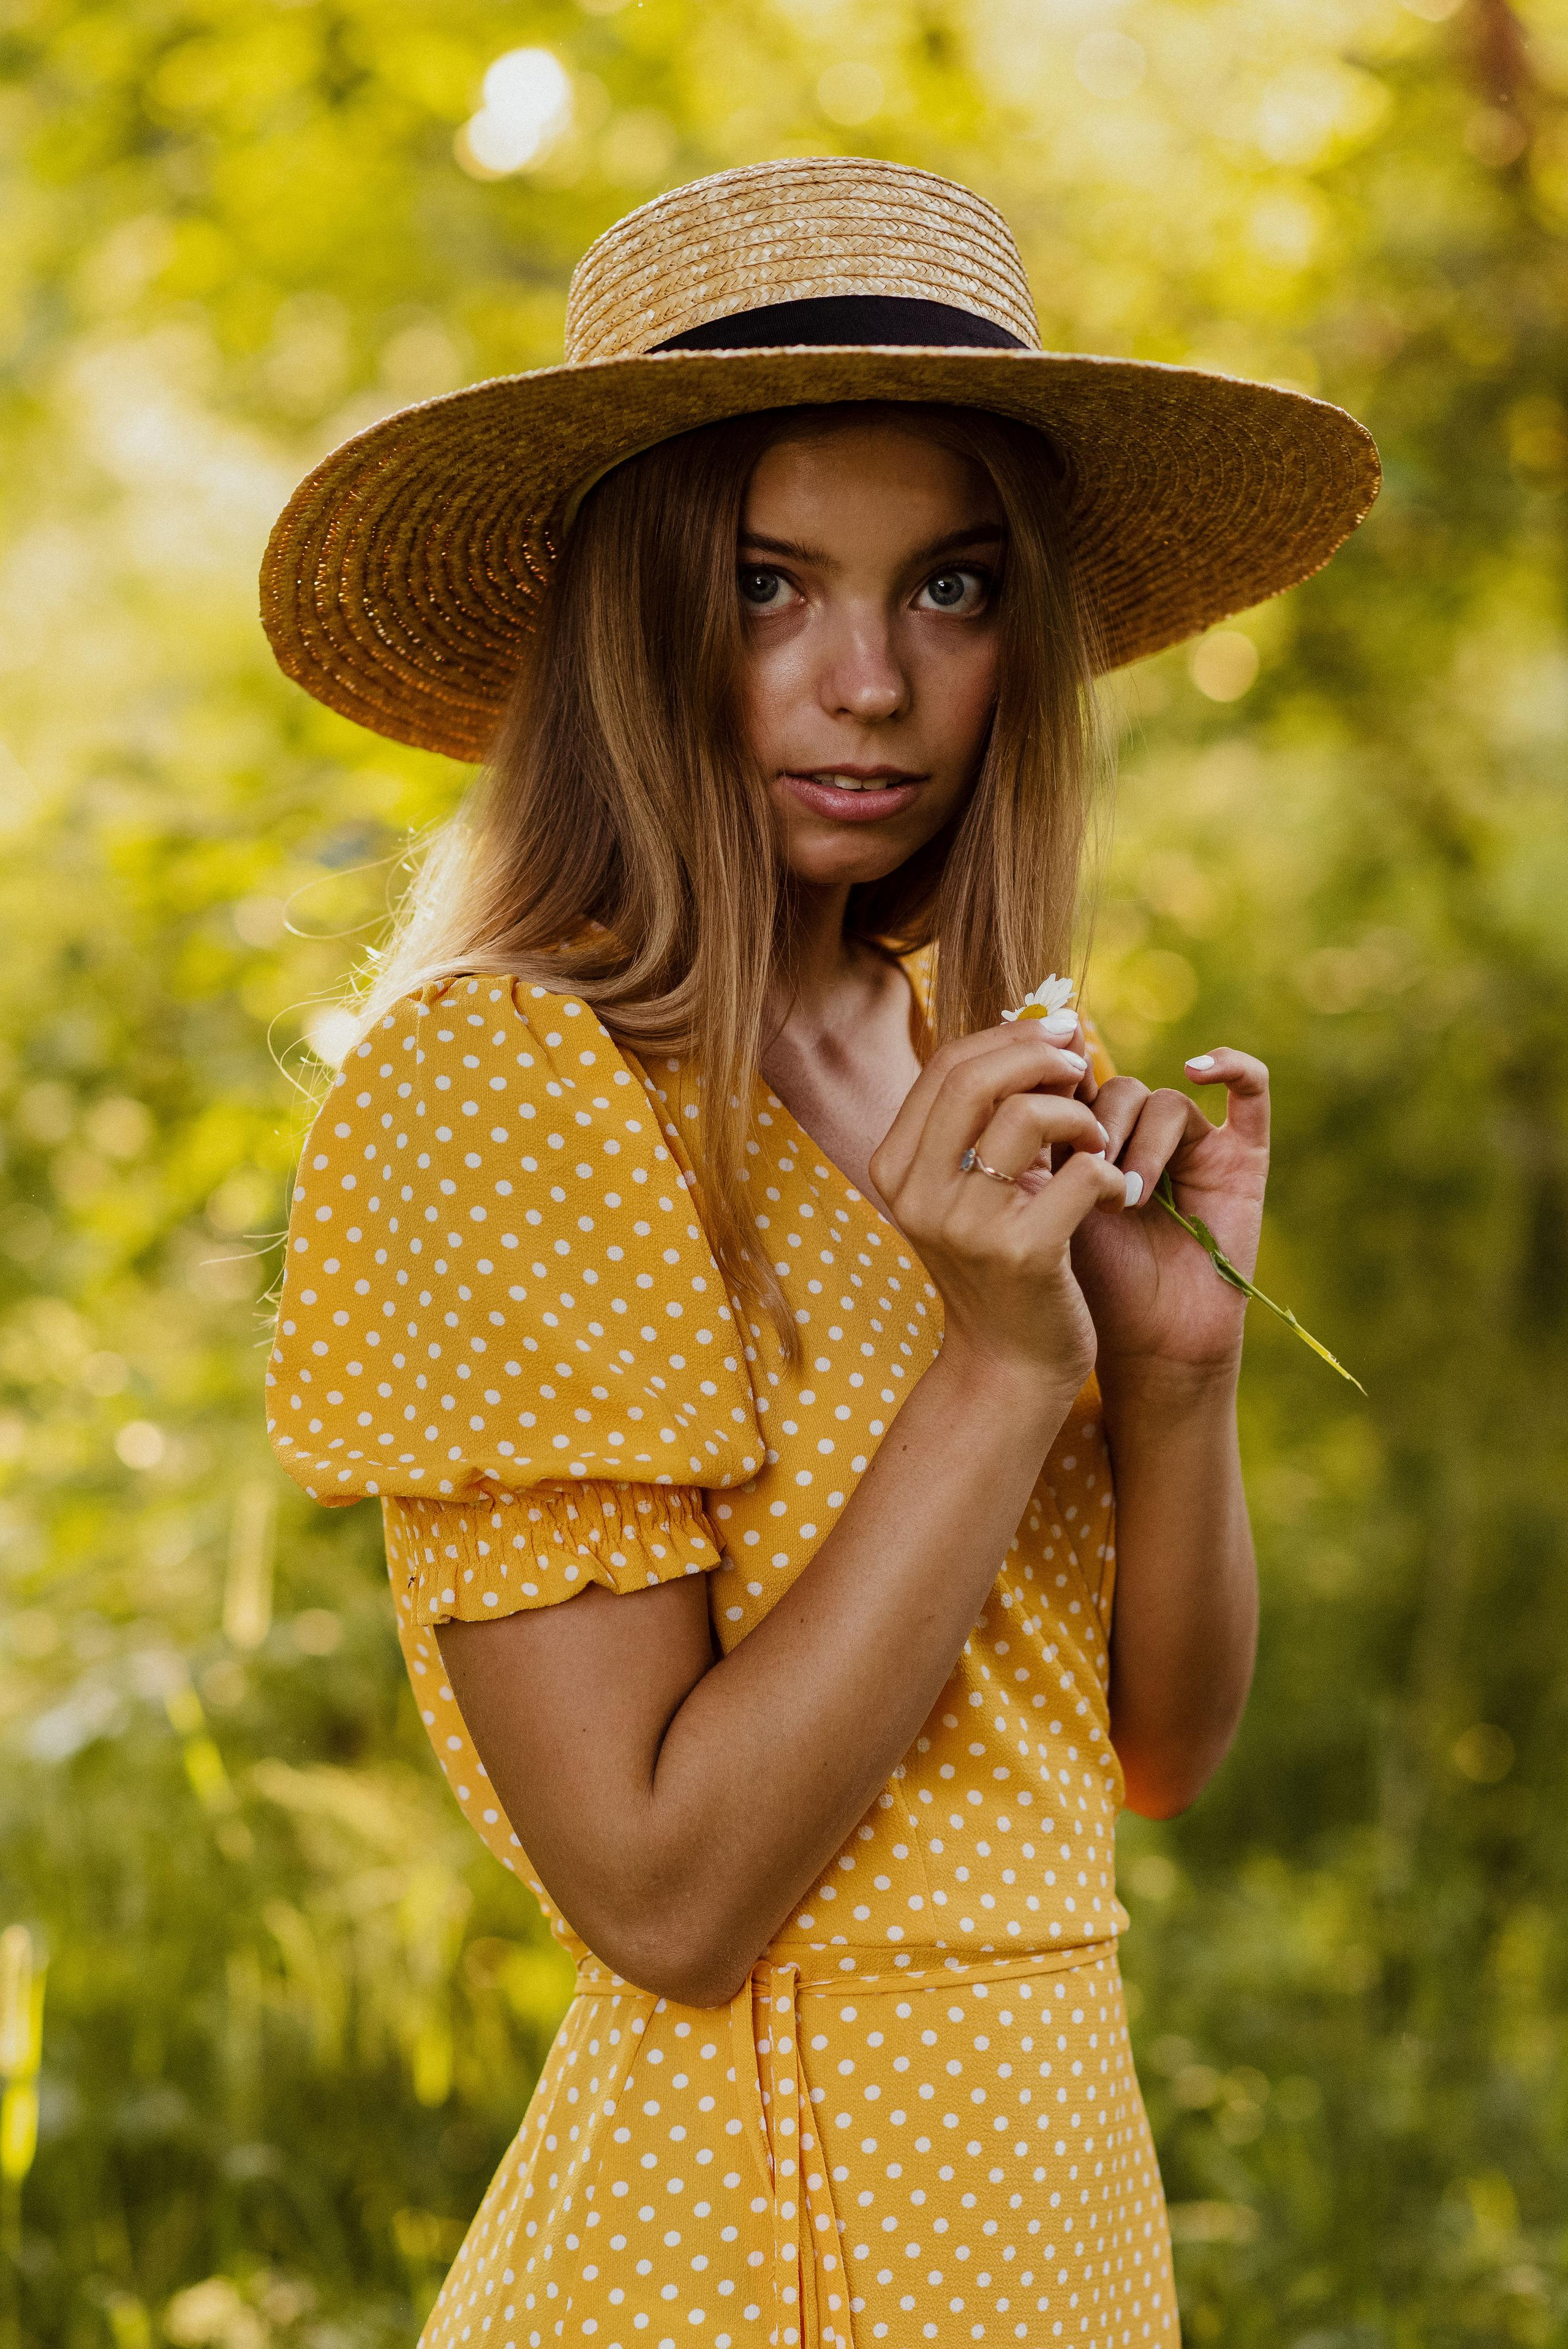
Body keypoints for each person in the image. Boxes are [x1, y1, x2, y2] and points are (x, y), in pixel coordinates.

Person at [263, 157, 1376, 2349]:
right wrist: (986, 1364)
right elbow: (666, 1894)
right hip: (768, 2232)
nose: (868, 682)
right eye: (771, 587)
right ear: (628, 618)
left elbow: (1145, 1759)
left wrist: (1162, 1371)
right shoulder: (511, 1080)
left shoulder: (939, 1059)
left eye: (949, 592)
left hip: (1052, 2203)